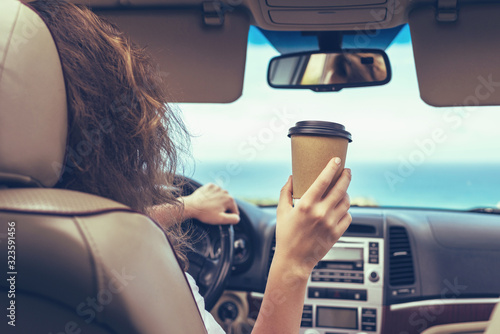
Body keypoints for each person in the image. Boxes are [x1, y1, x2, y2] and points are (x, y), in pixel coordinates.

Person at [30, 1, 352, 333]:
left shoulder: (23, 233)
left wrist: (189, 206)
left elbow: (106, 220)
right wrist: (294, 263)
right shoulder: (143, 273)